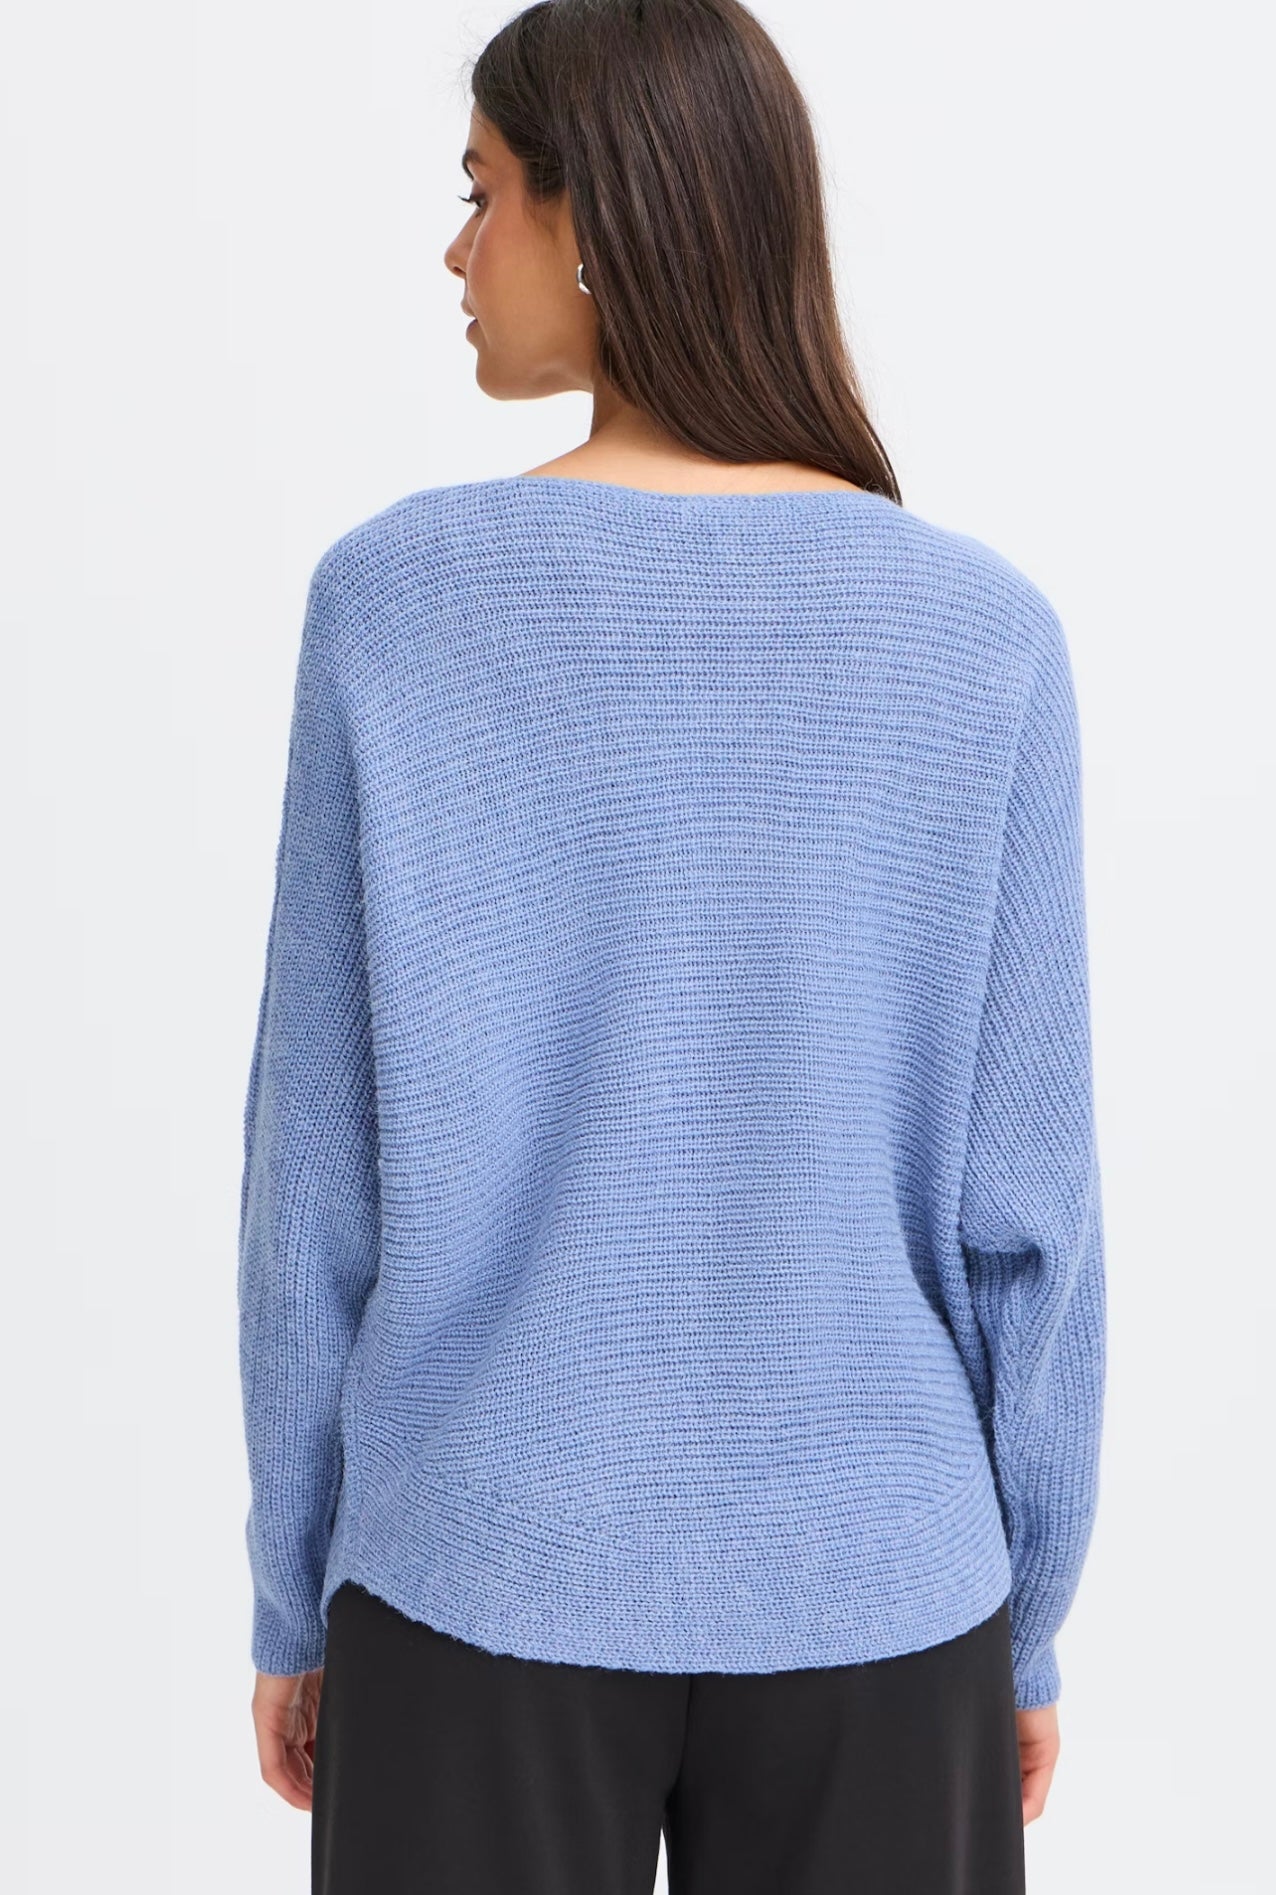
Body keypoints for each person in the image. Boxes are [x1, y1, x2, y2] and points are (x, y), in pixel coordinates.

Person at [236, 2, 1106, 1889]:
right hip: (886, 1587)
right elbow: (1028, 1210)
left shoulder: (396, 605)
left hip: (474, 1566)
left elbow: (315, 1181)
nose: (455, 252)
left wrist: (295, 1585)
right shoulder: (983, 637)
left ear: (598, 218)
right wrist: (1025, 1612)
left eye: (483, 193)